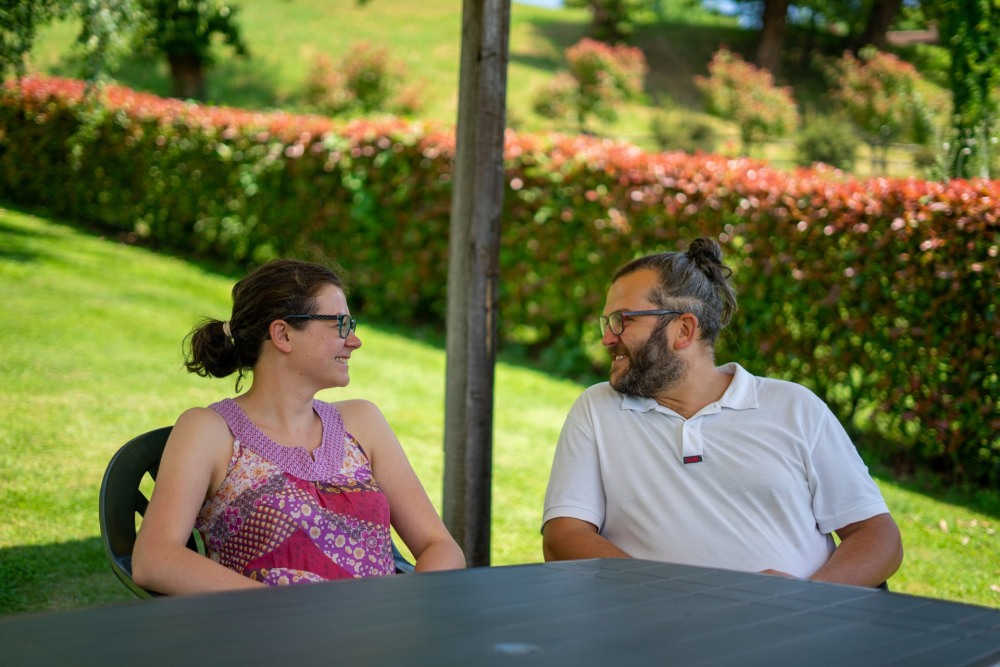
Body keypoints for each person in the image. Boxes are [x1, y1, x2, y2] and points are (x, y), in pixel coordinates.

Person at [542, 237, 902, 587]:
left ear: (683, 330)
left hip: (791, 622)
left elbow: (877, 535)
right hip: (652, 621)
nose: (607, 338)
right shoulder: (598, 409)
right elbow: (563, 536)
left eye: (623, 320)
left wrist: (804, 600)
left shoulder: (795, 407)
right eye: (607, 322)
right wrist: (668, 598)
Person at [133, 259, 465, 594]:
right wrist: (284, 610)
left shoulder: (362, 423)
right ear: (283, 334)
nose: (354, 341)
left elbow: (439, 546)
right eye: (341, 324)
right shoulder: (210, 431)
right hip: (268, 627)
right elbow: (155, 559)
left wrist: (407, 606)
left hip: (381, 623)